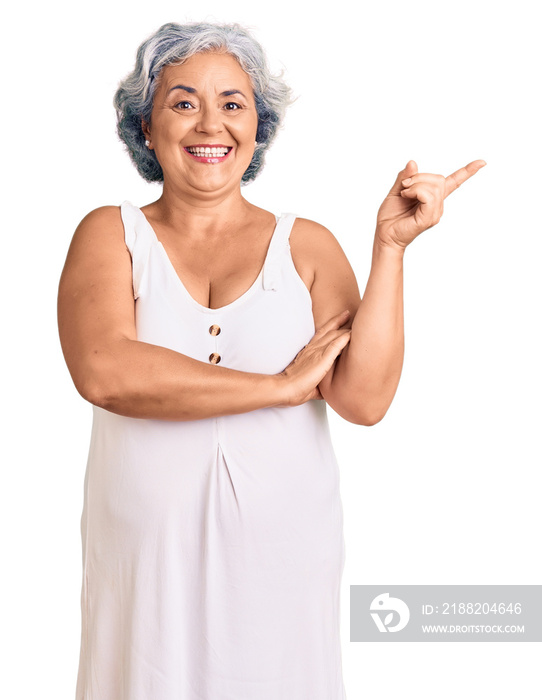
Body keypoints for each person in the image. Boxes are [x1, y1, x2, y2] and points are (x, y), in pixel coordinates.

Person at [57, 20, 486, 700]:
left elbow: (363, 399)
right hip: (146, 570)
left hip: (282, 564)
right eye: (183, 101)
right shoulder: (111, 235)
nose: (211, 124)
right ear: (145, 127)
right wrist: (277, 387)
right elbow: (106, 372)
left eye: (233, 104)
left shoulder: (307, 246)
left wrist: (391, 250)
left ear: (258, 128)